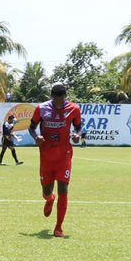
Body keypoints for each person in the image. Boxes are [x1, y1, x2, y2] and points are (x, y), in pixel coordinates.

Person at [28, 82, 82, 238]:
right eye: (56, 100)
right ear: (52, 96)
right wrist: (35, 136)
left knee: (64, 188)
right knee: (46, 190)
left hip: (64, 155)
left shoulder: (74, 109)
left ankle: (58, 227)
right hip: (46, 156)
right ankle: (49, 198)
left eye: (62, 99)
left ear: (65, 96)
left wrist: (77, 135)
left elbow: (78, 127)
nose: (59, 103)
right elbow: (31, 127)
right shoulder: (41, 108)